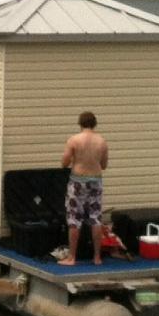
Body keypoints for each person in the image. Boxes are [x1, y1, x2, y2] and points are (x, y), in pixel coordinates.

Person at [60, 110, 109, 266]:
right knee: (95, 218)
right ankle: (97, 257)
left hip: (78, 181)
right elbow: (104, 165)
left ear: (80, 124)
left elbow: (64, 163)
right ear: (94, 124)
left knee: (74, 219)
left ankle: (72, 257)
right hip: (95, 181)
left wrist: (76, 158)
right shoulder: (102, 141)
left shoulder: (74, 140)